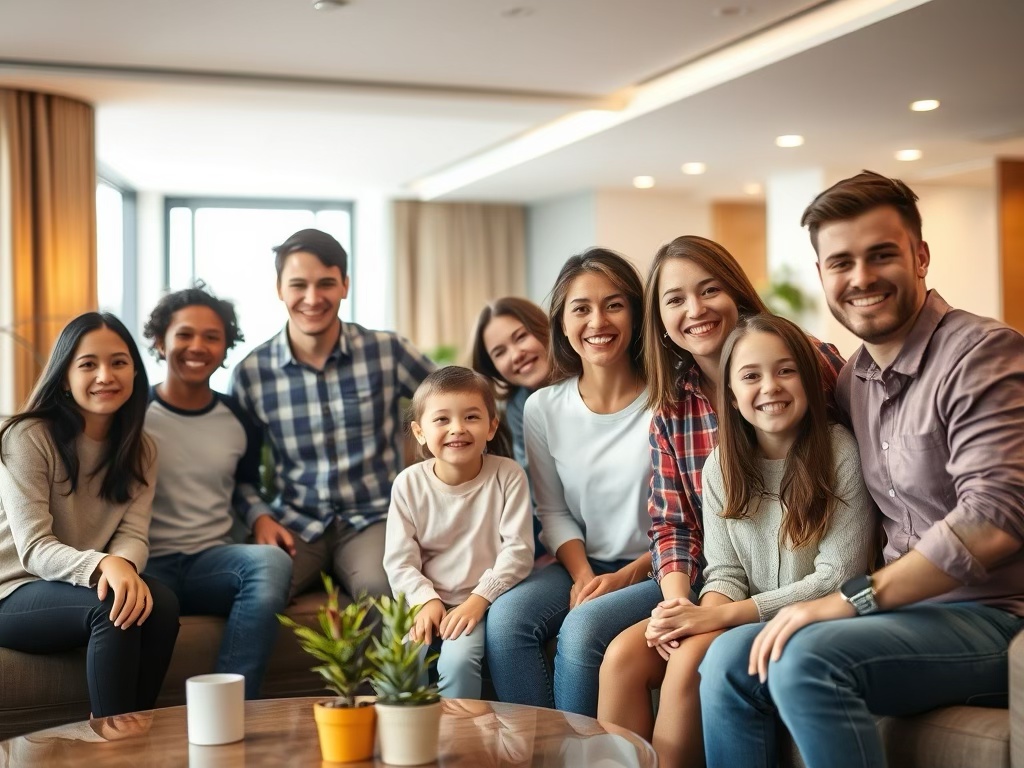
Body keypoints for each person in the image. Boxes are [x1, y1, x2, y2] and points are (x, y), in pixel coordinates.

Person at [699, 171, 1024, 768]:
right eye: (840, 262)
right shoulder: (855, 381)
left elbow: (996, 517)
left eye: (881, 255)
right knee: (727, 660)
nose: (861, 278)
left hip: (991, 614)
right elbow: (777, 427)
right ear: (822, 275)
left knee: (806, 661)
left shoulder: (982, 354)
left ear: (920, 257)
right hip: (905, 617)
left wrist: (853, 600)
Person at [595, 236, 844, 749]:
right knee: (620, 655)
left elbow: (848, 476)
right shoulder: (671, 408)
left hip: (800, 577)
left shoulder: (807, 363)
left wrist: (705, 618)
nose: (695, 310)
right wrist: (679, 607)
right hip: (723, 577)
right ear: (658, 318)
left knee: (688, 661)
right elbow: (674, 525)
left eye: (709, 290)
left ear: (737, 293)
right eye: (675, 299)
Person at [485, 247, 663, 717]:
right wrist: (584, 574)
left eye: (614, 304)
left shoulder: (668, 397)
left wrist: (625, 577)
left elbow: (696, 518)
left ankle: (578, 756)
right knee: (505, 622)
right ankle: (539, 752)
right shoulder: (543, 408)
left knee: (581, 628)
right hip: (585, 560)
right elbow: (554, 512)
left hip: (666, 565)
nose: (597, 321)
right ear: (562, 324)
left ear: (636, 314)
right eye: (581, 308)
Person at [230, 228, 434, 600]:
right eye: (298, 285)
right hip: (294, 522)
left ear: (345, 285)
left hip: (373, 518)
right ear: (279, 289)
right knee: (255, 593)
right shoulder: (252, 373)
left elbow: (452, 402)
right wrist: (259, 516)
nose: (312, 298)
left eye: (326, 283)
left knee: (382, 589)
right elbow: (238, 472)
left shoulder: (386, 351)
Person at [0, 312, 180, 716]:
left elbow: (133, 533)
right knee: (110, 608)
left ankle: (137, 734)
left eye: (118, 362)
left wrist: (124, 565)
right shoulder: (26, 437)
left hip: (76, 582)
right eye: (88, 364)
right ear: (64, 376)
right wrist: (106, 567)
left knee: (162, 603)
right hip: (11, 590)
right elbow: (34, 548)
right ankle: (113, 751)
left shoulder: (140, 448)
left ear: (134, 370)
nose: (105, 375)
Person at [141, 285, 292, 699]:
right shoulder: (132, 415)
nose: (198, 347)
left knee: (271, 564)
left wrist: (260, 516)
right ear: (160, 341)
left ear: (226, 347)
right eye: (184, 334)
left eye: (212, 337)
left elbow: (243, 484)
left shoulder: (239, 417)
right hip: (144, 563)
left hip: (211, 563)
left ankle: (230, 705)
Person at [383, 366, 534, 699]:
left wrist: (478, 601)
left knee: (458, 662)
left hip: (478, 601)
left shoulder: (508, 476)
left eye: (471, 417)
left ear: (492, 426)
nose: (457, 429)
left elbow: (519, 551)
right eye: (442, 420)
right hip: (423, 603)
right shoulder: (408, 485)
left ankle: (459, 743)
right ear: (419, 432)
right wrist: (424, 601)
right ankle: (405, 744)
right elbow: (399, 561)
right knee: (398, 667)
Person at [471, 296, 551, 558]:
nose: (516, 355)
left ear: (544, 328)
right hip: (548, 520)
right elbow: (538, 487)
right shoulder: (518, 406)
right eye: (500, 352)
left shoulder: (591, 382)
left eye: (521, 337)